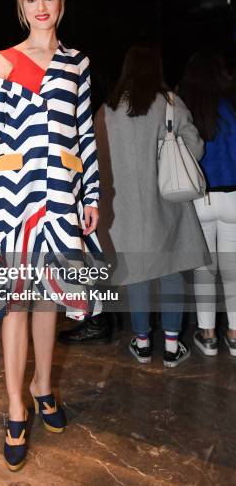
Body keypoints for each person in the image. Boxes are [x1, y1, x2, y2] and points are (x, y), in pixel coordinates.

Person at [0, 0, 102, 471]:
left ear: (60, 3)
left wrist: (91, 194)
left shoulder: (78, 63)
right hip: (13, 196)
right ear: (21, 6)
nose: (41, 6)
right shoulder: (5, 61)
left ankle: (44, 387)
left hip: (61, 193)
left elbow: (84, 134)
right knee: (16, 303)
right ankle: (15, 408)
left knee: (50, 297)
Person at [95, 44, 209, 368]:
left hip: (124, 207)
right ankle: (172, 346)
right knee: (171, 272)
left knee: (138, 275)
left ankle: (142, 343)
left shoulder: (109, 109)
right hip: (166, 204)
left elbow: (97, 158)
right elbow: (196, 150)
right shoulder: (170, 104)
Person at [180, 52, 236, 357]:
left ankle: (208, 335)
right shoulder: (232, 108)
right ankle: (234, 335)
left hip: (202, 198)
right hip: (234, 197)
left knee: (205, 271)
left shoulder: (188, 111)